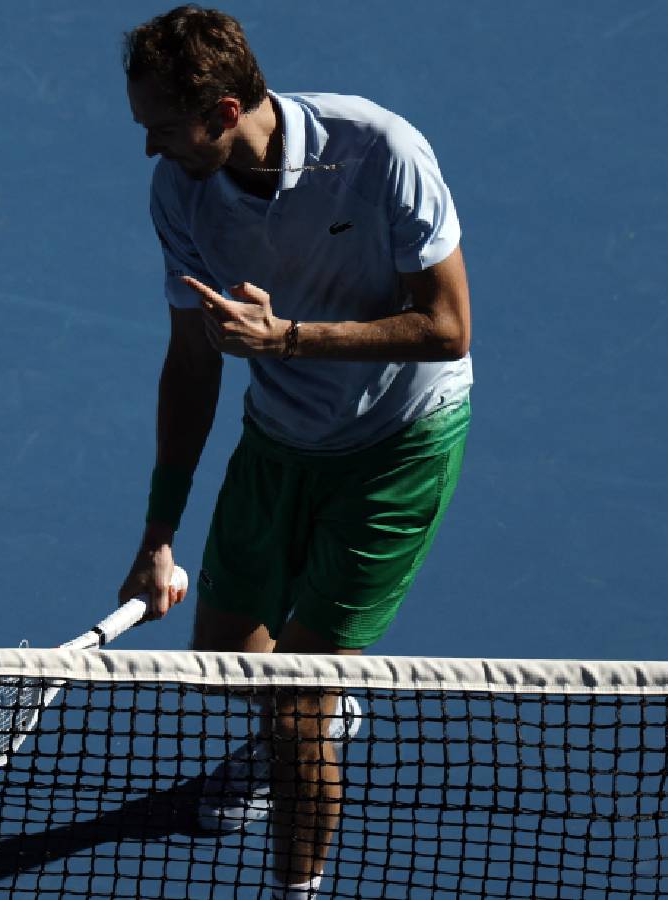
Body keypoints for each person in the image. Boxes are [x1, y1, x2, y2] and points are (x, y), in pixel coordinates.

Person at [116, 6, 473, 899]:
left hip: (399, 444)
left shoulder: (380, 150)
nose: (150, 149)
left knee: (296, 706)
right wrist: (159, 535)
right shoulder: (181, 194)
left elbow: (449, 328)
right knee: (229, 664)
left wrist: (290, 341)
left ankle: (297, 888)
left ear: (224, 109)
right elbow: (192, 361)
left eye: (162, 127)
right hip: (281, 436)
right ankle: (304, 714)